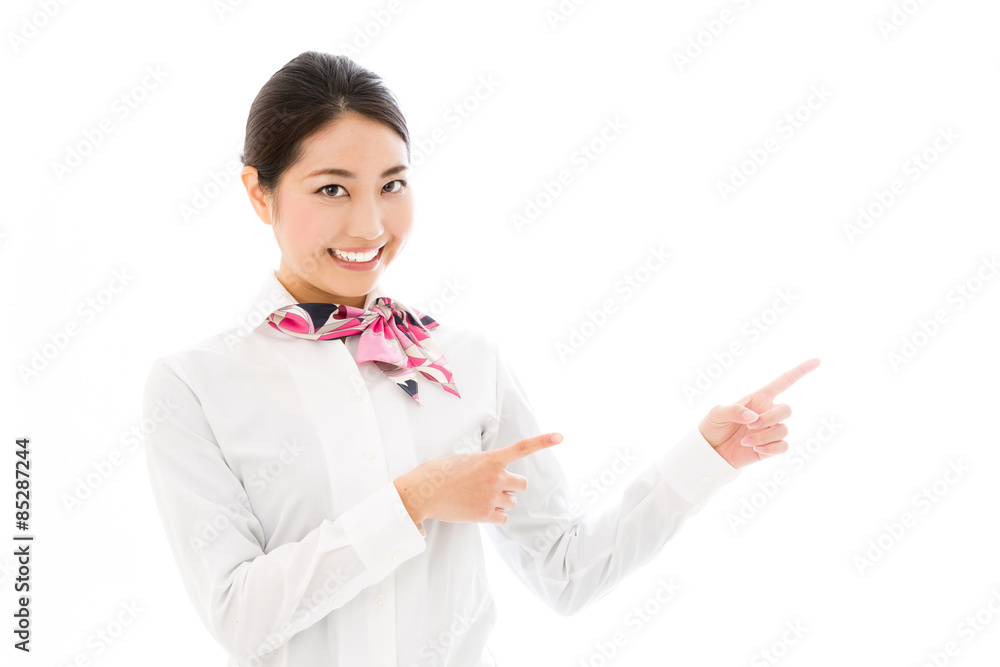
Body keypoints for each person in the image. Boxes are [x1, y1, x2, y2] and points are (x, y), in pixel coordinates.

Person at [142, 51, 820, 667]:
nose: (371, 225)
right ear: (259, 192)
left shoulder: (465, 362)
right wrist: (417, 496)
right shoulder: (196, 386)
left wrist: (705, 457)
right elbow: (239, 616)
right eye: (332, 189)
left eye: (392, 184)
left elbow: (566, 570)